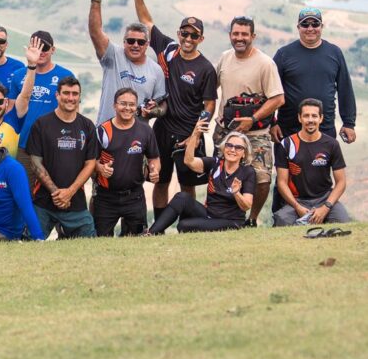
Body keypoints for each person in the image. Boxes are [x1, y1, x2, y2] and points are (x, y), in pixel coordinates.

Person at [129, 0, 218, 216]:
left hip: (189, 132)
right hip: (163, 129)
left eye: (194, 35)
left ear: (201, 38)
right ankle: (158, 228)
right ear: (179, 33)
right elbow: (147, 22)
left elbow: (210, 104)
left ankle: (188, 225)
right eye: (184, 33)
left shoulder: (206, 68)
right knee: (160, 180)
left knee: (188, 184)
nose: (188, 38)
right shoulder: (168, 49)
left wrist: (197, 135)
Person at [214, 15, 284, 225]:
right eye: (236, 34)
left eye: (244, 34)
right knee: (220, 177)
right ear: (230, 35)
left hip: (256, 133)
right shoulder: (225, 58)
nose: (240, 38)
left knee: (262, 179)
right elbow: (210, 89)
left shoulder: (265, 63)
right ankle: (225, 219)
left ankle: (251, 219)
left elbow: (278, 98)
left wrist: (252, 119)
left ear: (253, 36)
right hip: (226, 131)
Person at [148, 120, 254, 234]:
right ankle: (151, 232)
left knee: (183, 225)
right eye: (229, 145)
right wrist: (195, 134)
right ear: (224, 148)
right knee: (182, 197)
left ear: (244, 153)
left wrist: (236, 193)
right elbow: (189, 161)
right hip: (209, 214)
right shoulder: (215, 163)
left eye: (238, 147)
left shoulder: (247, 172)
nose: (232, 150)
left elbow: (246, 206)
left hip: (231, 221)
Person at [25, 75, 98, 239]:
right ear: (57, 95)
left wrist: (70, 192)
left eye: (75, 94)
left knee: (90, 243)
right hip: (44, 201)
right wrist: (57, 193)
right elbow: (35, 163)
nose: (70, 98)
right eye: (66, 93)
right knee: (30, 243)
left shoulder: (87, 126)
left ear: (79, 97)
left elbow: (90, 163)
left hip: (75, 203)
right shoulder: (41, 124)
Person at [88, 0, 165, 124]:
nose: (135, 45)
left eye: (141, 42)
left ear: (147, 44)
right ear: (124, 42)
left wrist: (155, 111)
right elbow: (95, 32)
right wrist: (96, 1)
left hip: (137, 140)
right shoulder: (113, 55)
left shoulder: (156, 70)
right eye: (130, 41)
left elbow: (162, 103)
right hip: (107, 134)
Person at [272, 7, 356, 144]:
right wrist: (272, 123)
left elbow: (345, 89)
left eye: (315, 24)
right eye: (305, 24)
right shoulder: (283, 54)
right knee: (286, 167)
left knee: (321, 166)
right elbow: (269, 91)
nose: (310, 28)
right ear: (298, 27)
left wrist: (349, 123)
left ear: (321, 26)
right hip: (288, 130)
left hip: (324, 129)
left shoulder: (335, 53)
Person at [93, 88, 161, 237]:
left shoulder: (145, 130)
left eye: (131, 104)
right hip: (106, 197)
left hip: (134, 196)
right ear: (114, 106)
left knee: (137, 241)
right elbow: (91, 161)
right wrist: (100, 168)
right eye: (123, 104)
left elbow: (153, 158)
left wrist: (154, 170)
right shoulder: (102, 131)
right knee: (100, 242)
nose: (127, 108)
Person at [273, 99, 350, 227]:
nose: (310, 120)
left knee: (342, 223)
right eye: (306, 115)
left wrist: (326, 207)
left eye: (314, 116)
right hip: (297, 201)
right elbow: (281, 182)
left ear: (321, 118)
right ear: (299, 118)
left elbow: (341, 182)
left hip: (325, 199)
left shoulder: (332, 144)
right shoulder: (286, 144)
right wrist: (297, 207)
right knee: (281, 221)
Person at [6, 30, 74, 151]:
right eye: (36, 48)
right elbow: (11, 110)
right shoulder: (18, 75)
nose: (40, 52)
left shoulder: (66, 76)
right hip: (23, 143)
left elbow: (73, 110)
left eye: (45, 48)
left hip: (54, 143)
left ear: (53, 50)